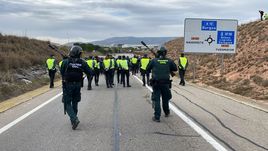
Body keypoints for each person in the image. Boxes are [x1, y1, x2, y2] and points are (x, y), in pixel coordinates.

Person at [60, 46, 93, 130]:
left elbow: (62, 72)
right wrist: (82, 74)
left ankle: (74, 119)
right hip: (78, 85)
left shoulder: (65, 62)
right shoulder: (82, 62)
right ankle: (73, 119)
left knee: (67, 102)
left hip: (67, 85)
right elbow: (90, 72)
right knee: (75, 102)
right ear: (78, 53)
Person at [147, 47, 177, 122]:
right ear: (165, 53)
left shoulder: (154, 60)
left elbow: (147, 69)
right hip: (166, 84)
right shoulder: (169, 61)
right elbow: (175, 68)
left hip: (156, 83)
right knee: (165, 99)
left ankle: (157, 117)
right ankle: (166, 112)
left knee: (156, 100)